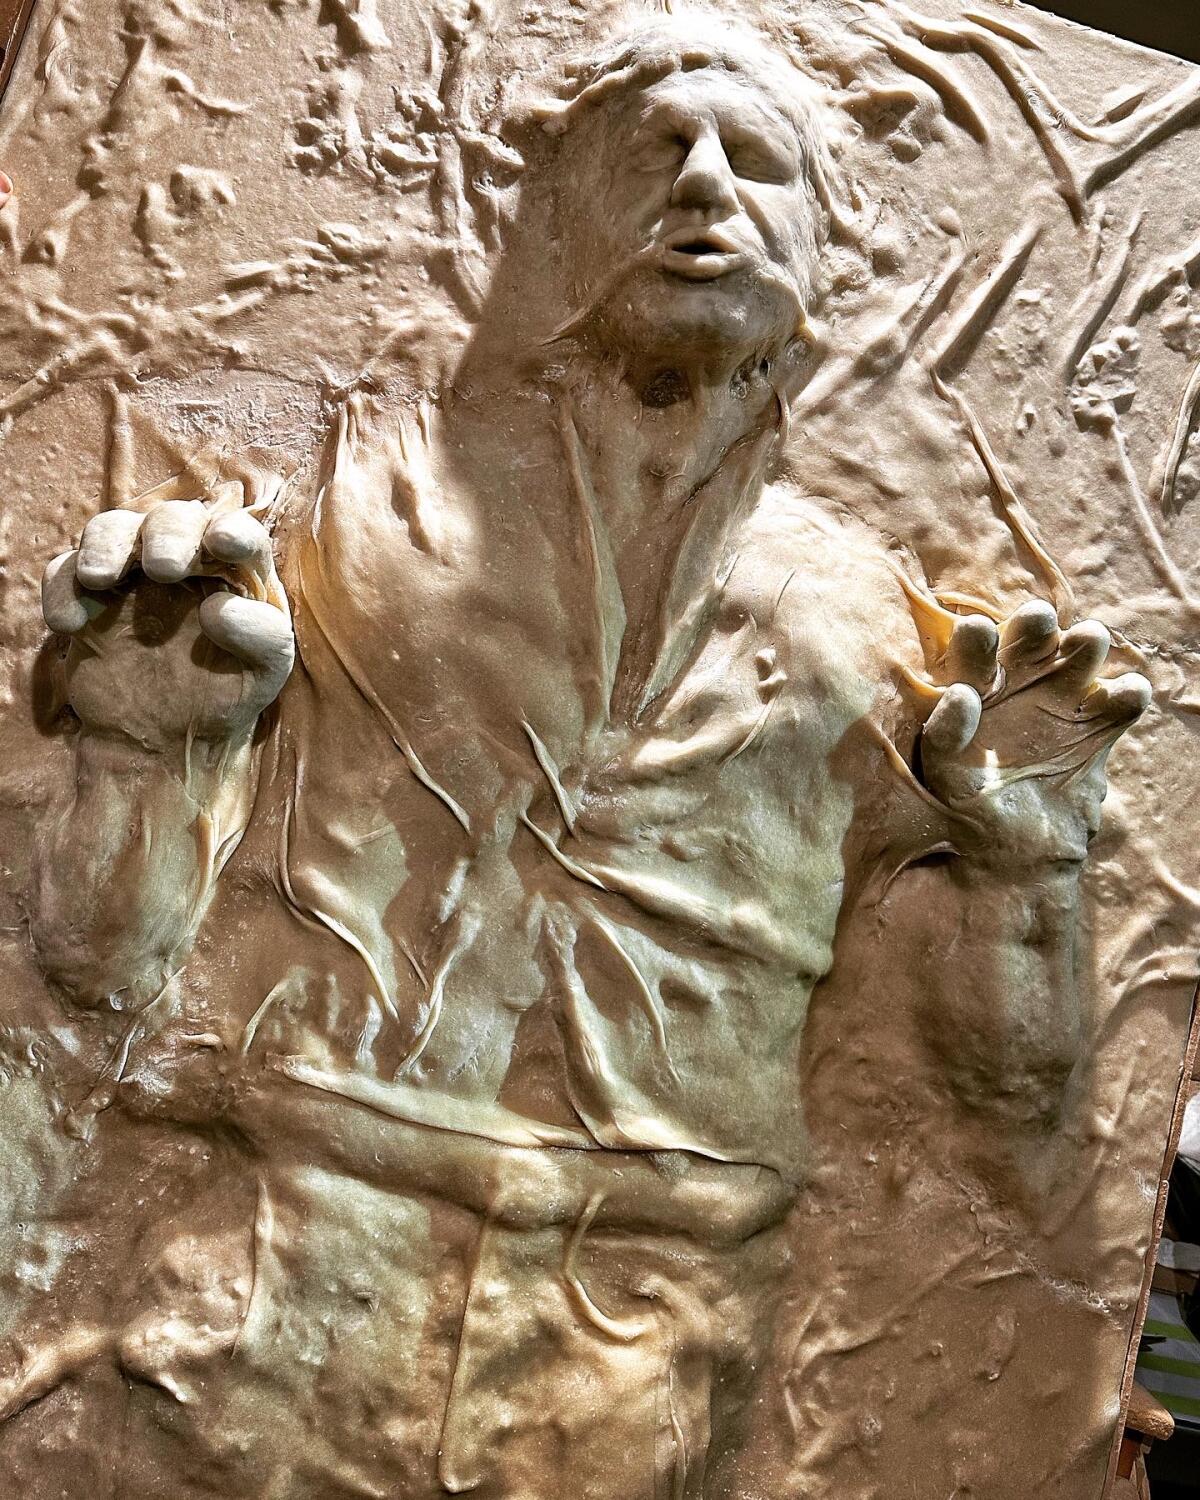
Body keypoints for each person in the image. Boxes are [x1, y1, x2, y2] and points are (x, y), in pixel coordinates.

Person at [27, 17, 1150, 1497]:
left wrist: (1030, 868)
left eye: (757, 161)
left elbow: (1019, 1106)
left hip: (636, 1374)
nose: (703, 184)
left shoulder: (882, 635)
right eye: (654, 151)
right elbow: (92, 970)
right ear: (555, 216)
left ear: (827, 255)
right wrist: (137, 750)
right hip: (270, 1306)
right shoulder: (336, 522)